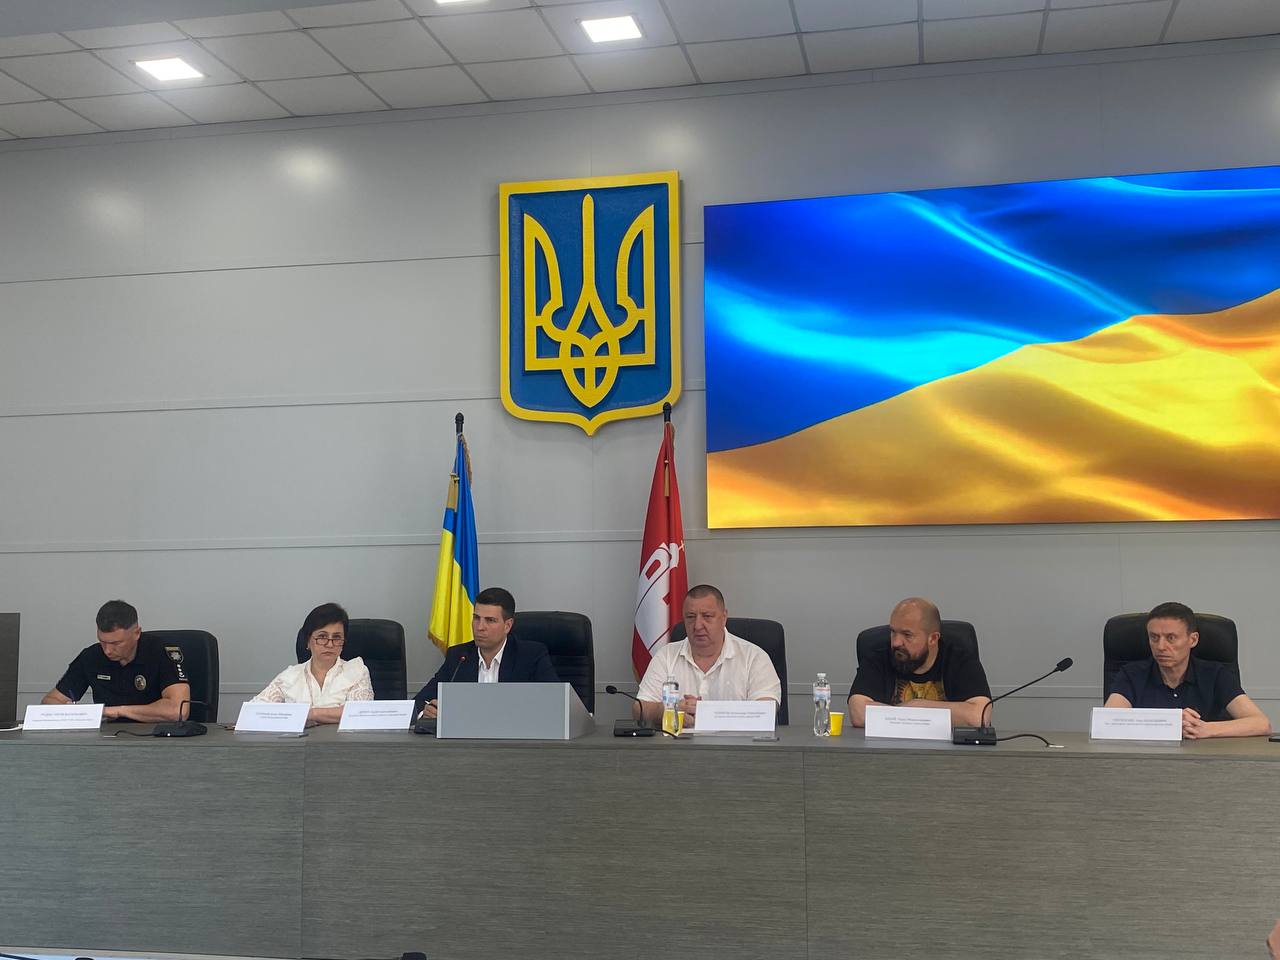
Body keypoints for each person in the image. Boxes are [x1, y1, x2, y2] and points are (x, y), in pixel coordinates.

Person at [1104, 601, 1271, 739]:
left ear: (1193, 639)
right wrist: (1171, 722)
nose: (1160, 646)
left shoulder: (1215, 674)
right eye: (1154, 637)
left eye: (1171, 638)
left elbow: (1261, 723)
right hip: (1147, 761)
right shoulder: (1131, 674)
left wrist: (1206, 729)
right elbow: (1107, 722)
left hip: (1205, 761)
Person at [634, 584, 781, 728]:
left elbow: (766, 711)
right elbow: (638, 709)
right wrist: (668, 710)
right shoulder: (666, 655)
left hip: (736, 743)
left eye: (707, 616)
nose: (698, 626)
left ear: (724, 618)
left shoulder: (754, 657)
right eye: (690, 617)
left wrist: (707, 713)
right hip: (678, 743)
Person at [413, 587, 558, 719]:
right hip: (466, 737)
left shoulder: (530, 656)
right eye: (476, 618)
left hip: (514, 736)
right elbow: (419, 702)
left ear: (507, 626)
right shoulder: (459, 656)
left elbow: (556, 703)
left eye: (490, 620)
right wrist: (426, 711)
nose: (480, 627)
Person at [848, 597, 992, 728]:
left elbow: (979, 716)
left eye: (907, 635)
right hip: (889, 746)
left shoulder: (959, 659)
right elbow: (858, 714)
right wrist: (911, 712)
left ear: (933, 639)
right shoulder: (879, 655)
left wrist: (916, 706)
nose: (896, 642)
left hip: (949, 748)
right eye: (893, 632)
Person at [42, 600, 192, 722]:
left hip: (157, 737)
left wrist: (118, 711)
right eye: (102, 641)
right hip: (107, 738)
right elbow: (50, 701)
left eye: (116, 643)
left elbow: (178, 710)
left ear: (137, 633)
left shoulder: (161, 652)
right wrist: (74, 712)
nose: (107, 650)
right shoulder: (91, 656)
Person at [253, 602, 373, 725]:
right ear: (308, 641)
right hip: (301, 738)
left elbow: (359, 713)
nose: (330, 644)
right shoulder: (289, 676)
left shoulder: (357, 671)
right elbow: (255, 711)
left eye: (336, 637)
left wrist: (310, 714)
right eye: (322, 636)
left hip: (342, 738)